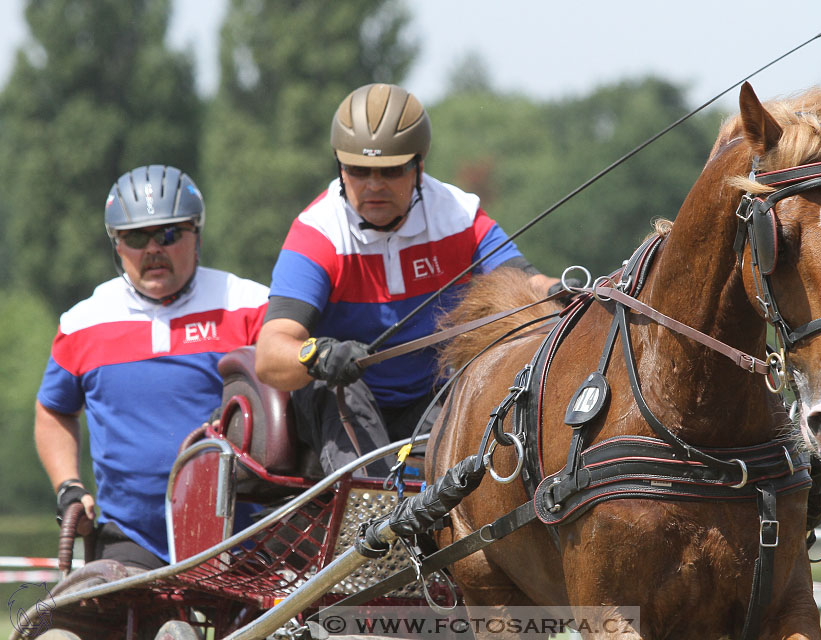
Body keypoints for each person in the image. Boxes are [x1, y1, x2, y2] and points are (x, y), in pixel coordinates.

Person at [255, 83, 558, 477]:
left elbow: (528, 287)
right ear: (339, 167)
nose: (374, 185)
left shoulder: (456, 214)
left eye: (390, 170)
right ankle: (372, 521)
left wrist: (563, 292)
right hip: (344, 397)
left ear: (419, 166)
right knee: (341, 395)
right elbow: (270, 352)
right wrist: (318, 355)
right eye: (359, 171)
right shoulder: (317, 234)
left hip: (430, 392)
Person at [35, 165, 269, 571]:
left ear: (197, 234)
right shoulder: (83, 322)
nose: (153, 249)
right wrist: (68, 486)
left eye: (168, 234)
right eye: (136, 237)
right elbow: (54, 410)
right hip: (129, 540)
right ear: (117, 245)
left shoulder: (250, 304)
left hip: (245, 535)